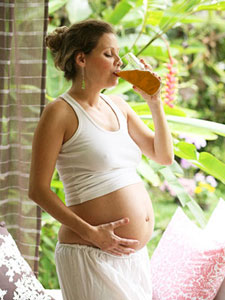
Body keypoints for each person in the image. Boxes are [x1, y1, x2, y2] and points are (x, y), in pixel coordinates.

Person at [28, 19, 173, 300]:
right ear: (82, 59)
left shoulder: (119, 105)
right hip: (90, 253)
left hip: (132, 257)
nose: (119, 62)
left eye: (119, 54)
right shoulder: (59, 113)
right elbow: (38, 190)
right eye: (109, 54)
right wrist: (93, 234)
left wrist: (155, 103)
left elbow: (163, 156)